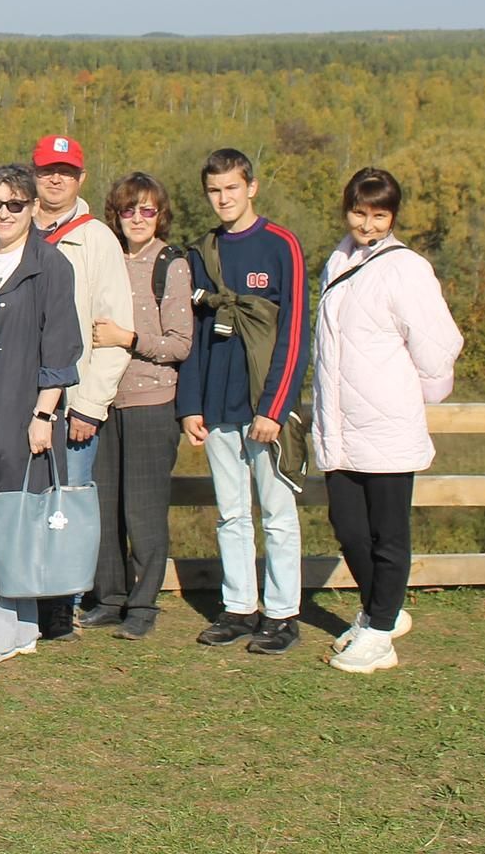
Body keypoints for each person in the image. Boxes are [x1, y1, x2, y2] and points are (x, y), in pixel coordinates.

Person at [313, 168, 462, 673]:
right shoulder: (338, 260)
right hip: (341, 422)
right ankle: (385, 612)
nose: (368, 224)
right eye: (360, 212)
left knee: (388, 533)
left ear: (392, 216)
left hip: (387, 422)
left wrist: (415, 393)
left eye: (379, 215)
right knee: (348, 527)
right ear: (346, 210)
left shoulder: (406, 269)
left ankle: (379, 632)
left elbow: (438, 343)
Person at [175, 148, 312, 655]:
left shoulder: (281, 245)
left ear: (251, 187)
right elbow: (193, 332)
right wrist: (191, 406)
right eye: (214, 190)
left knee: (277, 512)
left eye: (232, 188)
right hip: (217, 404)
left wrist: (274, 407)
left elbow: (295, 333)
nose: (223, 198)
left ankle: (282, 613)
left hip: (263, 405)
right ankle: (239, 607)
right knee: (230, 513)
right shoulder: (202, 252)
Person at [0, 165, 83, 665]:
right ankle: (18, 629)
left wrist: (43, 416)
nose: (4, 213)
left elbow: (62, 348)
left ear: (31, 208)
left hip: (15, 411)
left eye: (15, 204)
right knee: (0, 519)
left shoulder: (48, 266)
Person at [29, 134, 133, 641]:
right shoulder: (12, 227)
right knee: (24, 498)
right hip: (22, 396)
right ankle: (25, 593)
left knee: (66, 503)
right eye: (48, 169)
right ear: (34, 173)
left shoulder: (96, 240)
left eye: (65, 172)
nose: (55, 179)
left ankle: (62, 605)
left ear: (80, 179)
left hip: (73, 398)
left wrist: (91, 404)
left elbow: (113, 333)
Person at [82, 173, 194, 640]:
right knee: (104, 506)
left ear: (160, 215)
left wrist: (127, 339)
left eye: (147, 210)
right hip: (103, 400)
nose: (137, 219)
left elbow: (180, 344)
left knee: (143, 510)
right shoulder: (106, 257)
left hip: (151, 400)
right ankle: (110, 597)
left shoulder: (171, 264)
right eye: (129, 210)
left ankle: (143, 603)